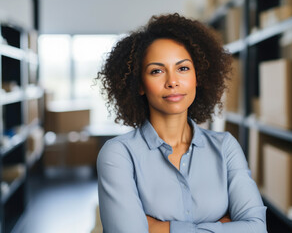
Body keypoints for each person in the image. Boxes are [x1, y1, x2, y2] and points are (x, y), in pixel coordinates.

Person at [96, 13, 267, 233]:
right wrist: (222, 226)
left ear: (198, 77)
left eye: (183, 68)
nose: (172, 82)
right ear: (139, 84)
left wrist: (161, 228)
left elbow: (257, 228)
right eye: (157, 71)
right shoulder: (118, 154)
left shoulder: (225, 147)